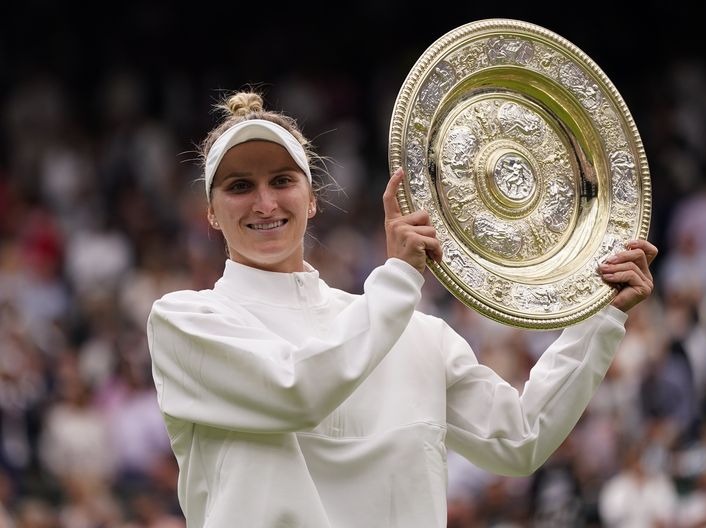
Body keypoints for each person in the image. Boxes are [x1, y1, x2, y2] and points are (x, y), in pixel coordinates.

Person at [146, 90, 658, 527]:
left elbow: (520, 439)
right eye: (240, 187)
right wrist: (398, 280)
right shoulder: (187, 323)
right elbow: (296, 389)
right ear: (210, 213)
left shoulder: (417, 333)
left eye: (282, 180)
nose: (264, 203)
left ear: (312, 198)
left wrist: (600, 315)